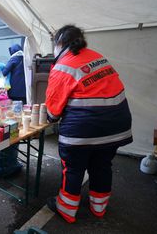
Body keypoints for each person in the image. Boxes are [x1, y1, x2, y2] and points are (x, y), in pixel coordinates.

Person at [45, 25, 133, 223]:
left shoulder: (63, 66)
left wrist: (49, 117)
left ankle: (66, 210)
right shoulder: (99, 57)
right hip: (117, 127)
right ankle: (99, 207)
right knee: (102, 165)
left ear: (59, 43)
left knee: (74, 168)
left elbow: (52, 112)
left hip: (83, 130)